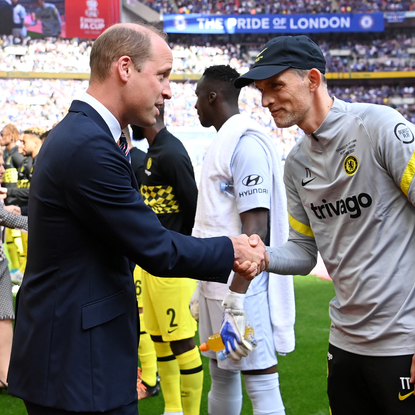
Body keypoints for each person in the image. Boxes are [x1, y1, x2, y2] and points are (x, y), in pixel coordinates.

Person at [7, 22, 268, 415]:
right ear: (125, 68)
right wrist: (230, 250)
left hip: (76, 352)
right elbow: (154, 245)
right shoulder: (87, 145)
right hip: (77, 365)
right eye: (162, 75)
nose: (168, 90)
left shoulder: (87, 136)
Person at [234, 34, 415, 415]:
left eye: (276, 86)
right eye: (261, 90)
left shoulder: (379, 127)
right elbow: (303, 252)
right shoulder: (296, 163)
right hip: (344, 346)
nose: (265, 100)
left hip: (403, 344)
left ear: (313, 80)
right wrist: (263, 255)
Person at [191, 64, 295, 415]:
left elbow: (255, 235)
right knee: (220, 372)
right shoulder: (222, 143)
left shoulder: (245, 145)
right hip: (215, 285)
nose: (194, 107)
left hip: (240, 291)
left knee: (260, 378)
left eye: (197, 99)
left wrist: (236, 300)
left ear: (212, 97)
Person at [134, 104, 203, 415]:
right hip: (152, 263)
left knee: (182, 343)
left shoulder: (172, 152)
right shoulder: (152, 152)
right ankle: (172, 409)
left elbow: (192, 207)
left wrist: (183, 252)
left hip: (173, 265)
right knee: (160, 339)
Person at [0, 148, 28, 392]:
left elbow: (5, 217)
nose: (2, 169)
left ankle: (6, 376)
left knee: (6, 316)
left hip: (0, 264)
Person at [0, 124, 25, 285]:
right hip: (7, 203)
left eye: (3, 135)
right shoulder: (7, 154)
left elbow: (23, 180)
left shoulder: (16, 156)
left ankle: (21, 270)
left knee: (19, 242)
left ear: (10, 136)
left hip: (14, 202)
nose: (1, 138)